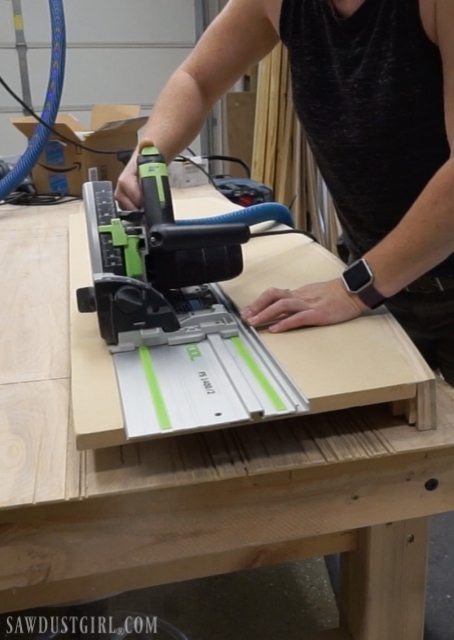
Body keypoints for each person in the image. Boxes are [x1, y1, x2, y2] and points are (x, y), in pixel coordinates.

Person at [115, 0, 454, 384]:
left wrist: (354, 290)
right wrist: (150, 158)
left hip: (392, 279)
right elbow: (197, 79)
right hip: (379, 274)